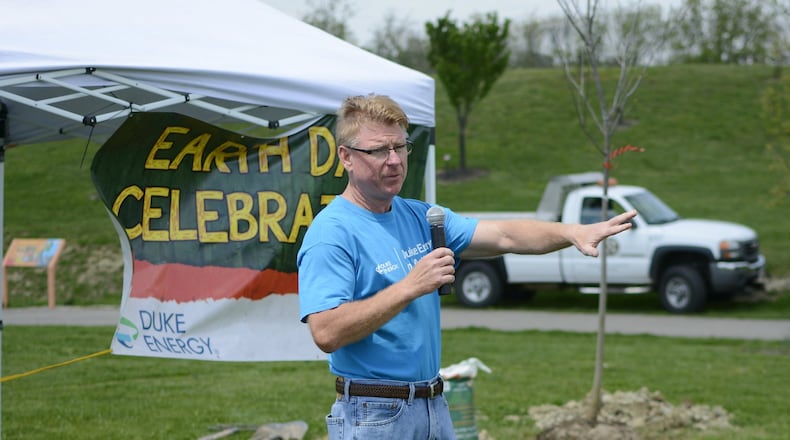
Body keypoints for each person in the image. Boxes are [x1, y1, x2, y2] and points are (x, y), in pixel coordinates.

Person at [297, 94, 637, 439]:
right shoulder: (332, 234)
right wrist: (410, 286)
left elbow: (505, 235)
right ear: (346, 157)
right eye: (379, 150)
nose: (395, 161)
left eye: (400, 147)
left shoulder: (419, 216)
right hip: (375, 414)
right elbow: (326, 332)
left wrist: (571, 231)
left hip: (433, 403)